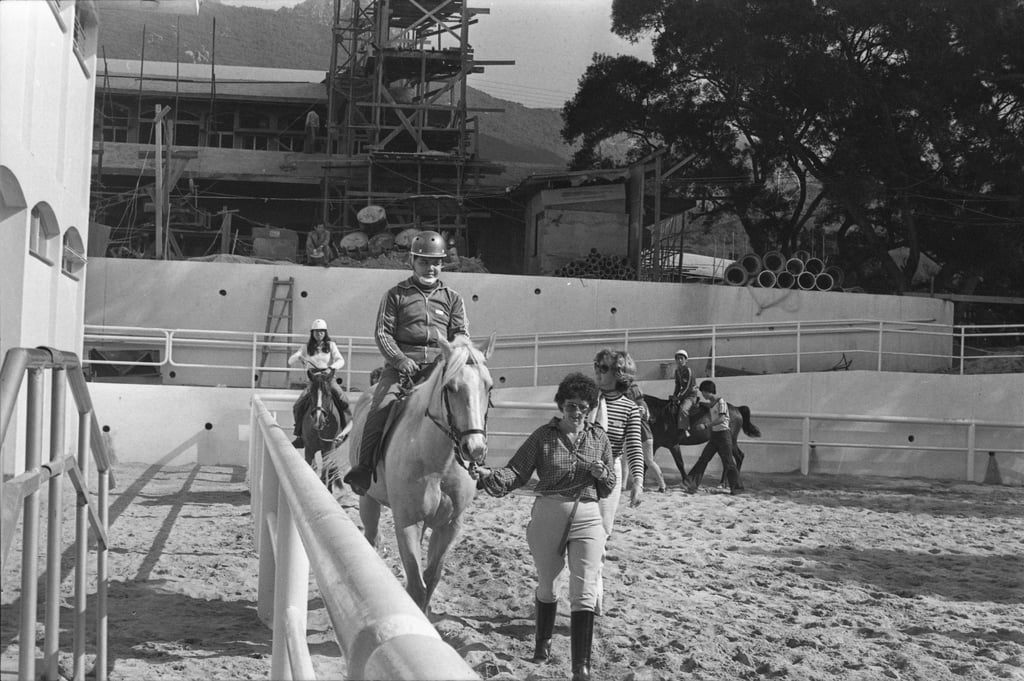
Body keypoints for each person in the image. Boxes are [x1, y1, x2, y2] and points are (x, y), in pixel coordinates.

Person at [474, 372, 615, 681]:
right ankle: (543, 644)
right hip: (548, 514)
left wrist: (603, 473)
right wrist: (490, 478)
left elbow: (608, 487)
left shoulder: (599, 438)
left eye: (583, 407)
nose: (577, 412)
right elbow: (517, 472)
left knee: (584, 590)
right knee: (548, 584)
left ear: (590, 408)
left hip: (589, 516)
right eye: (570, 406)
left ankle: (581, 667)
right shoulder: (542, 436)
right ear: (560, 406)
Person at [343, 230, 468, 495]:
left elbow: (461, 335)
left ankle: (473, 463)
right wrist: (400, 360)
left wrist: (450, 358)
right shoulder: (395, 295)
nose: (430, 267)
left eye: (435, 262)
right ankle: (364, 469)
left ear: (442, 264)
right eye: (424, 261)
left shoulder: (453, 299)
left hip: (439, 369)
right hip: (401, 369)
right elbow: (382, 333)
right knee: (380, 408)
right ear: (412, 260)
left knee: (466, 404)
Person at [288, 318, 348, 448]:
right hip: (313, 380)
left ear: (325, 333)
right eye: (316, 331)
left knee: (344, 400)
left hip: (328, 379)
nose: (319, 334)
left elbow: (341, 360)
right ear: (312, 333)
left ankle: (345, 432)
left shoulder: (331, 345)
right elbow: (290, 361)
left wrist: (331, 368)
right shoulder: (305, 347)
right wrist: (299, 357)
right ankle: (299, 435)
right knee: (297, 405)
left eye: (321, 331)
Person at [685, 380, 744, 495]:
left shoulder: (721, 402)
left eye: (703, 392)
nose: (703, 395)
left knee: (728, 462)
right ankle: (690, 484)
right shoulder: (711, 404)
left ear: (709, 391)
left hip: (723, 435)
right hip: (715, 435)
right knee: (703, 459)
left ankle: (737, 488)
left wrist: (706, 425)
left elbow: (722, 419)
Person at [620, 357, 667, 493]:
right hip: (639, 435)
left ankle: (662, 485)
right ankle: (623, 486)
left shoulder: (639, 406)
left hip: (643, 435)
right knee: (632, 460)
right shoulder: (640, 403)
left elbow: (637, 417)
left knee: (648, 461)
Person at [671, 348, 699, 438]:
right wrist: (674, 395)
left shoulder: (688, 371)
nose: (679, 360)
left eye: (681, 358)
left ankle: (685, 429)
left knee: (683, 409)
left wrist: (679, 397)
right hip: (683, 395)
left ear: (686, 360)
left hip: (691, 395)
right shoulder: (677, 371)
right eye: (678, 358)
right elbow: (678, 385)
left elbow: (688, 387)